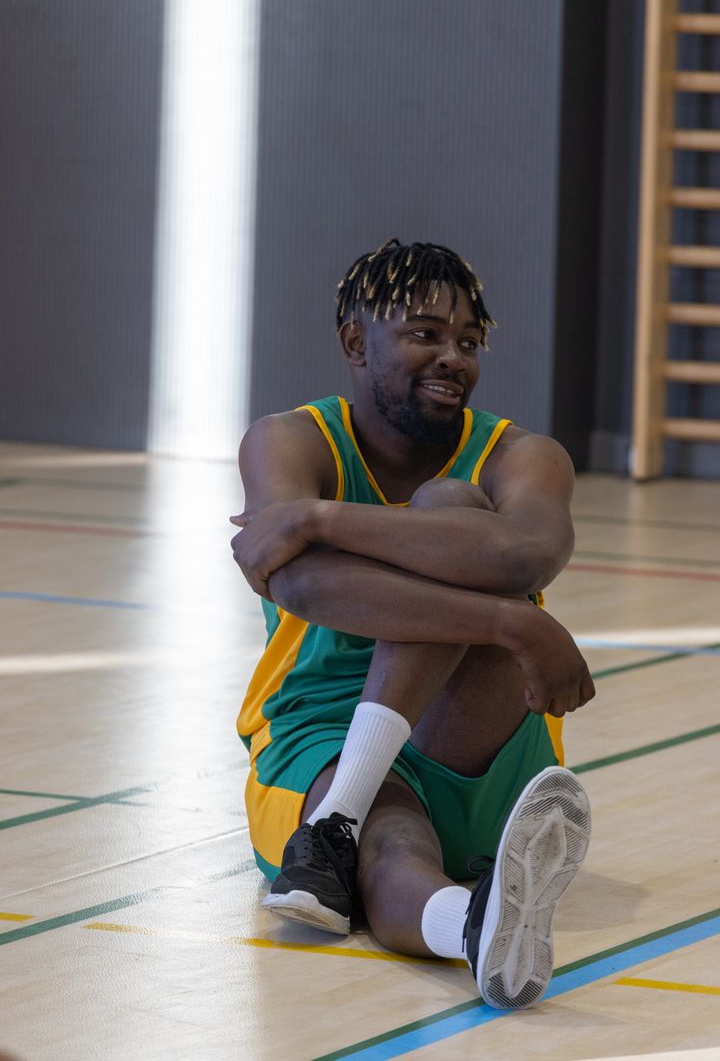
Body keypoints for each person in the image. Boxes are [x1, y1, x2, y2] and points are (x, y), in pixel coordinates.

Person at [231, 238, 594, 1010]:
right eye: (425, 334)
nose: (452, 358)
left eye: (468, 342)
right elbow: (298, 579)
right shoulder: (288, 441)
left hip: (479, 722)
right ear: (356, 342)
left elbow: (527, 553)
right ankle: (472, 921)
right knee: (391, 847)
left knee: (453, 504)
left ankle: (330, 829)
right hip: (321, 728)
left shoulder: (520, 455)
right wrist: (507, 624)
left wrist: (320, 517)